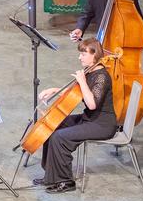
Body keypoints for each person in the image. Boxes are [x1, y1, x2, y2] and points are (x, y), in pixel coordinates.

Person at [34, 38, 117, 193]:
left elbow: (92, 104)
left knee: (60, 137)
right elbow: (76, 93)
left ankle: (65, 181)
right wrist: (53, 90)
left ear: (94, 55)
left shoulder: (102, 77)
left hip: (102, 124)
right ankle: (51, 176)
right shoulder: (90, 71)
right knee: (53, 125)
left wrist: (82, 82)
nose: (79, 57)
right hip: (89, 119)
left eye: (83, 54)